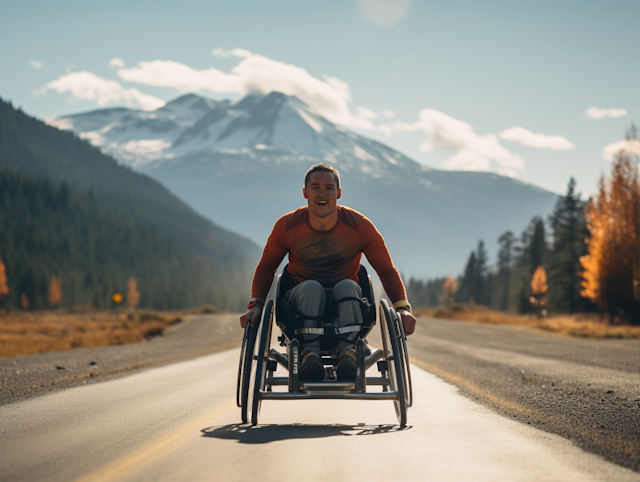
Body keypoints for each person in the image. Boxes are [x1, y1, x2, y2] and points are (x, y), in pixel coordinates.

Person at [240, 163, 416, 380]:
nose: (322, 193)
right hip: (299, 305)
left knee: (349, 285)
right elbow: (267, 268)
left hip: (346, 300)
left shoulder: (359, 226)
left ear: (338, 193)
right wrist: (255, 304)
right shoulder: (287, 226)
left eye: (329, 188)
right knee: (313, 287)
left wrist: (402, 308)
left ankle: (349, 353)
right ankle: (308, 353)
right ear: (305, 193)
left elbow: (387, 271)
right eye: (315, 187)